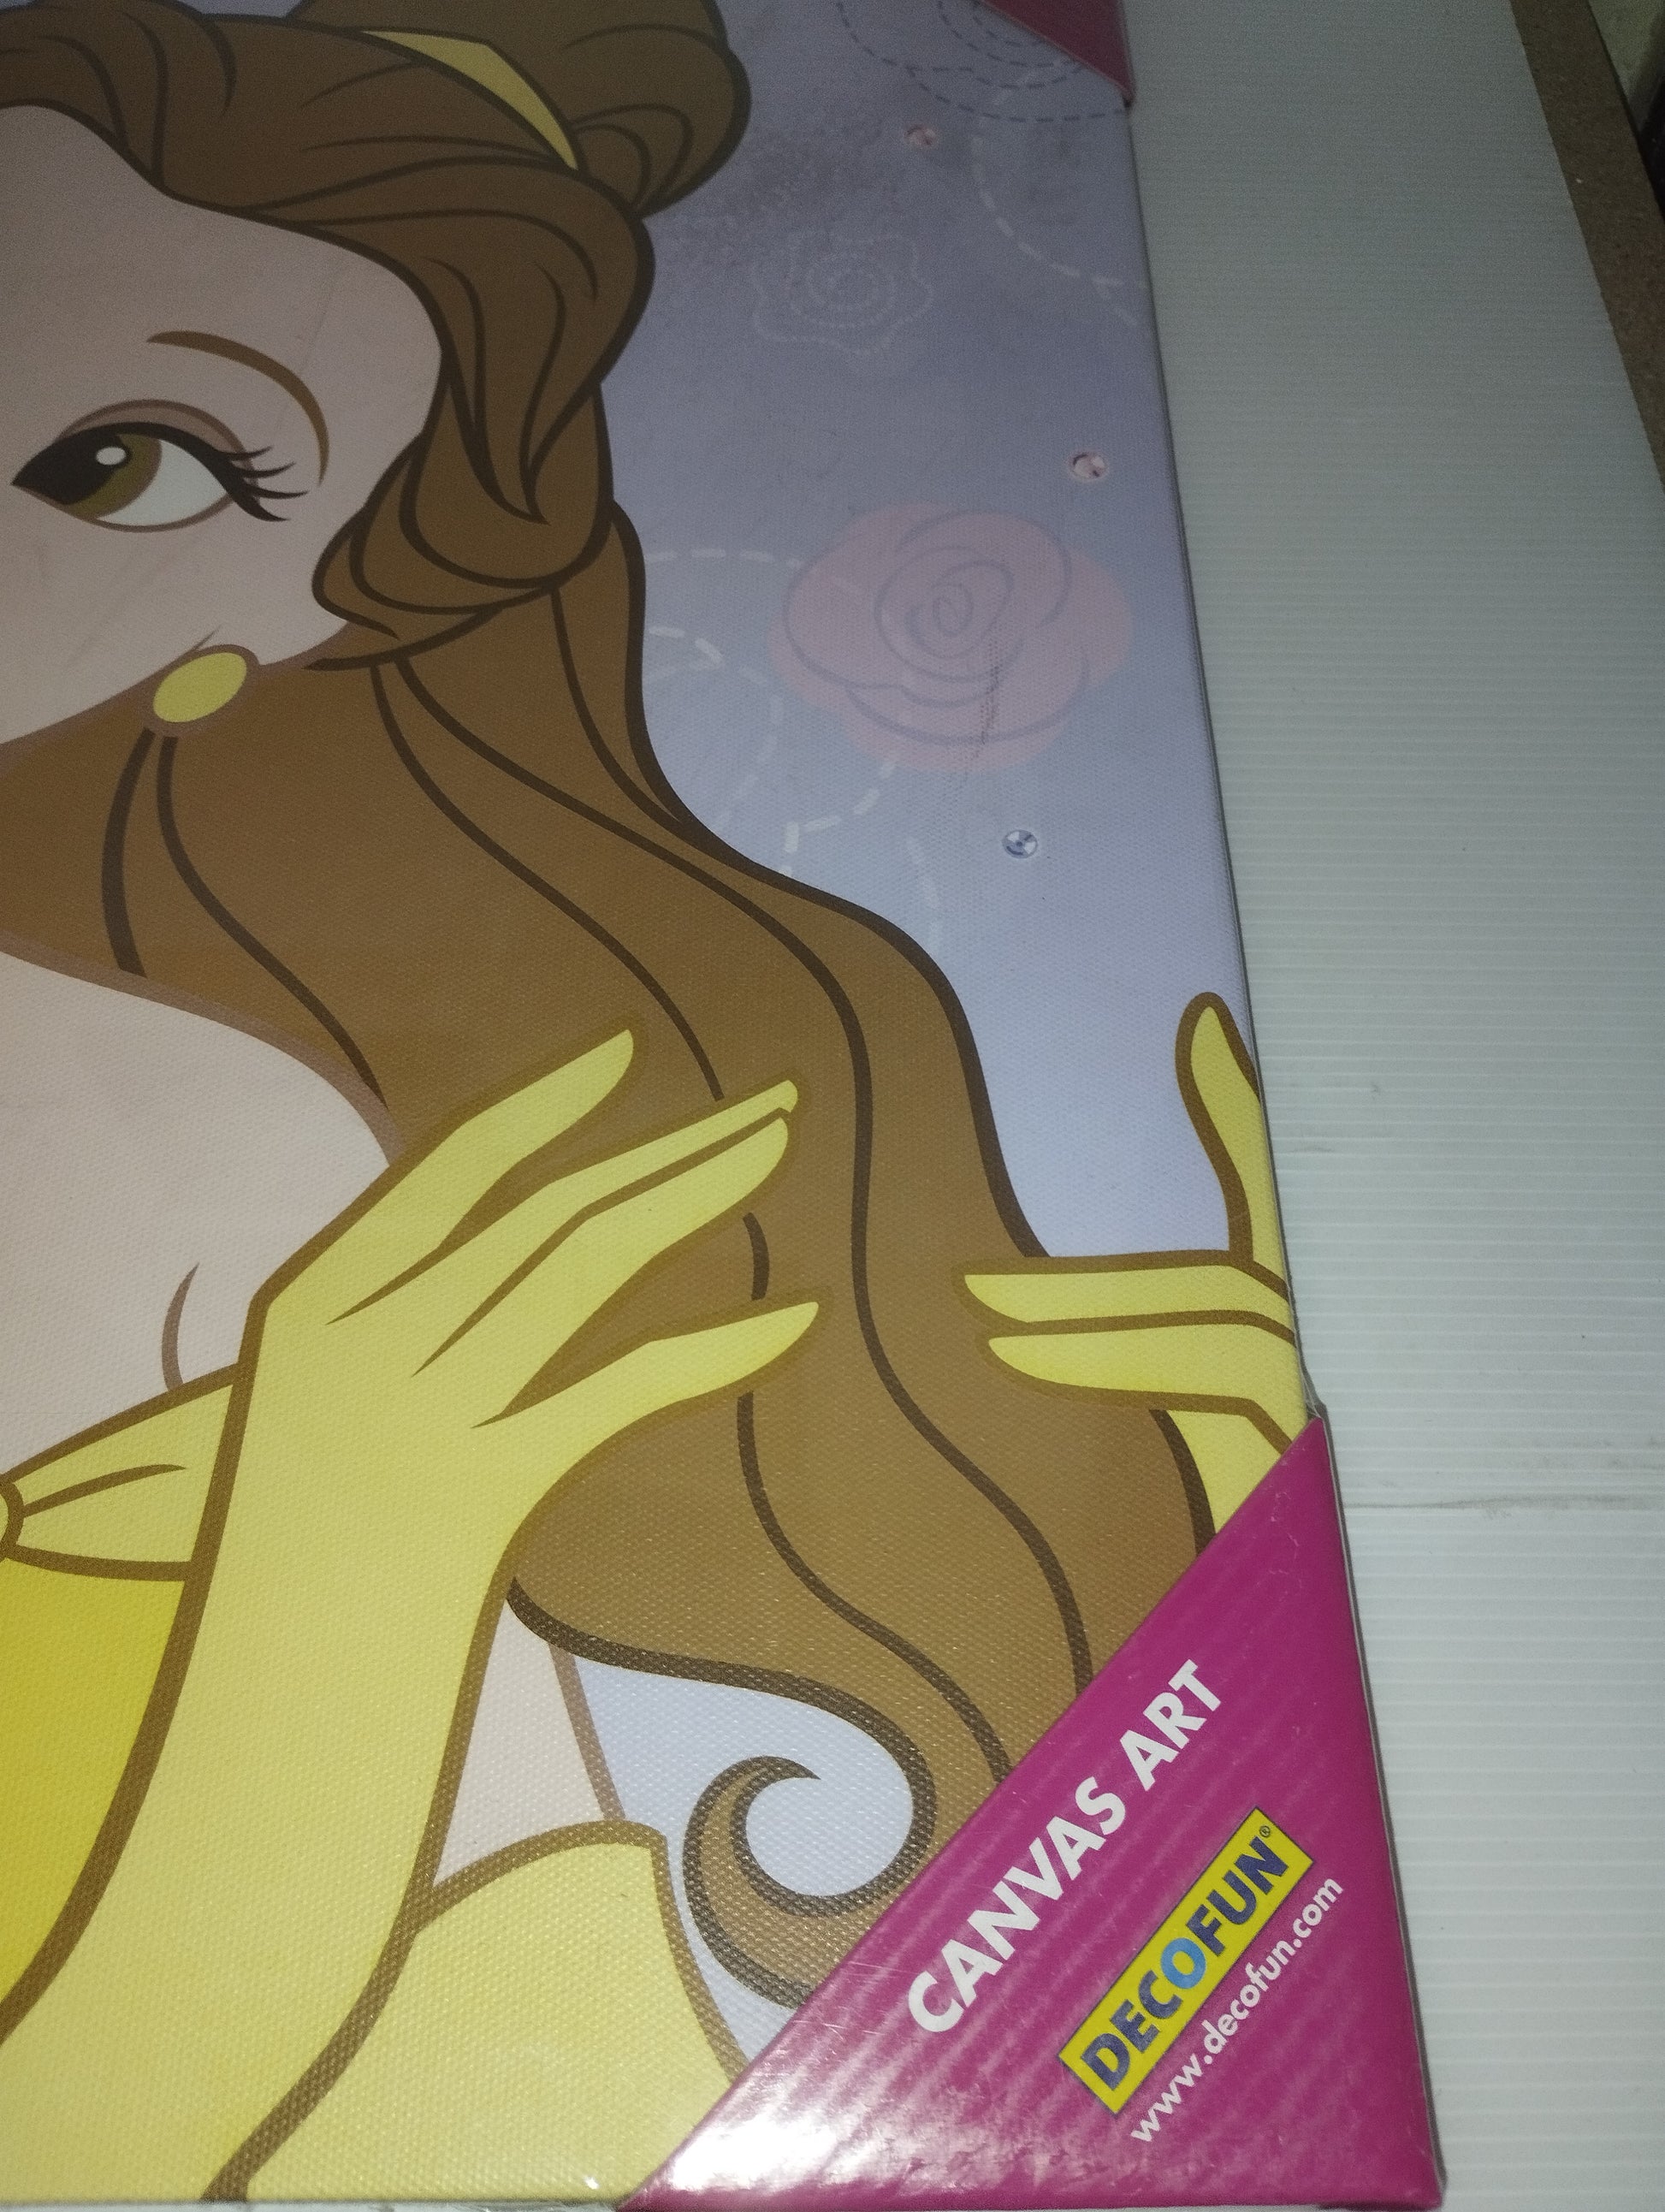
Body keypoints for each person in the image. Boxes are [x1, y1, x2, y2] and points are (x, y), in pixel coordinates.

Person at [0, 0, 1307, 2193]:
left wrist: (1214, 1664)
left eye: (120, 465)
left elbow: (276, 2089)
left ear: (283, 619)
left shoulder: (220, 1143)